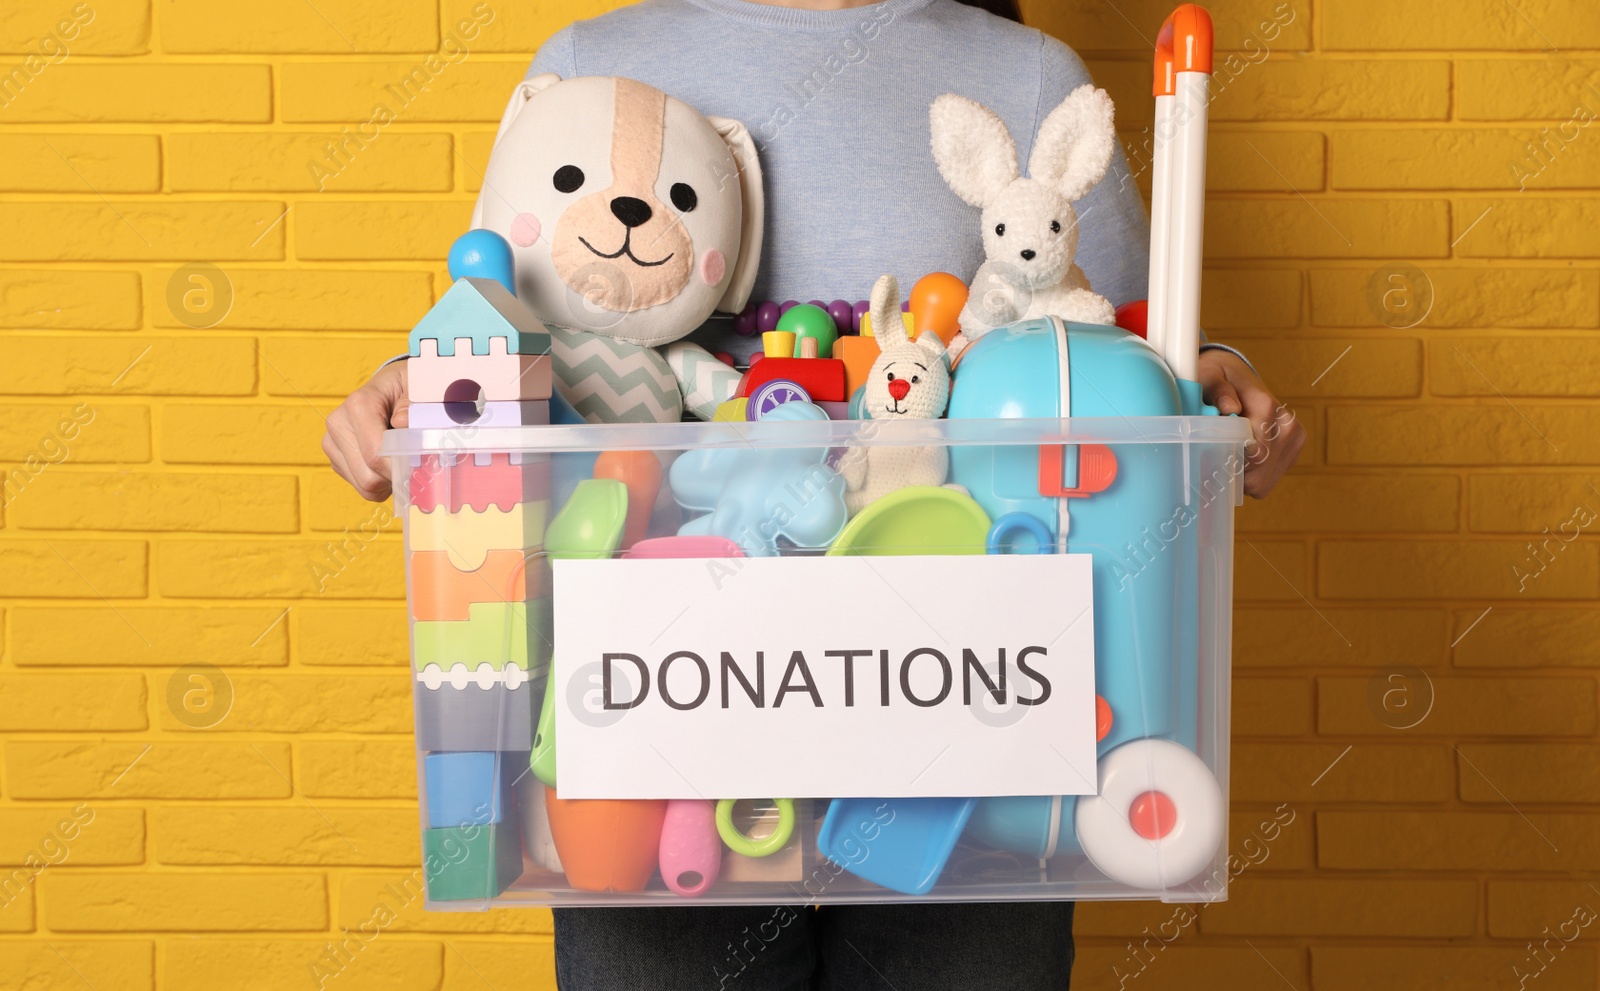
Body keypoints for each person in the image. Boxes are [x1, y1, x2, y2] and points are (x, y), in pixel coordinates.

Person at [323, 1, 1305, 987]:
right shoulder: (592, 59)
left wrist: (1223, 385)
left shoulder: (1030, 76)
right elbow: (506, 330)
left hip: (958, 727)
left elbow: (1128, 352)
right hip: (662, 719)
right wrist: (403, 386)